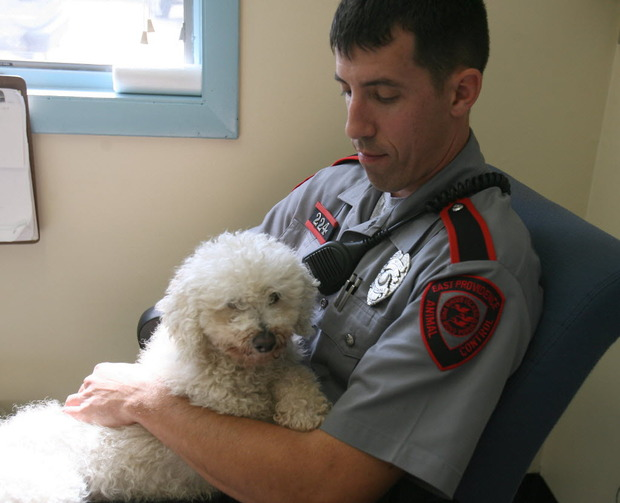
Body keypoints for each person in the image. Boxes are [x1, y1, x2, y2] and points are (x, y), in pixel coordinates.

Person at [63, 1, 543, 502]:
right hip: (205, 432)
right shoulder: (333, 186)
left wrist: (146, 401)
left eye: (383, 95)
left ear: (460, 92)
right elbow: (212, 297)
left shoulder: (471, 272)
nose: (355, 125)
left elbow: (325, 485)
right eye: (347, 91)